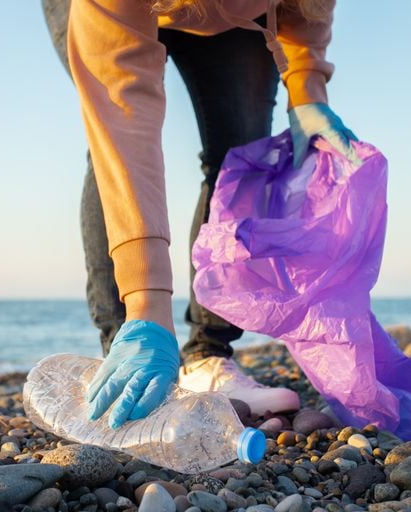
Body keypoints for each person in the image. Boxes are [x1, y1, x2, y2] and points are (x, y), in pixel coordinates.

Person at [42, 0, 358, 429]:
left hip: (236, 19)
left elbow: (308, 6)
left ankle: (207, 357)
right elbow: (125, 124)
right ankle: (127, 354)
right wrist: (148, 305)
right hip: (109, 8)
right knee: (111, 158)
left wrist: (306, 85)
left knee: (240, 152)